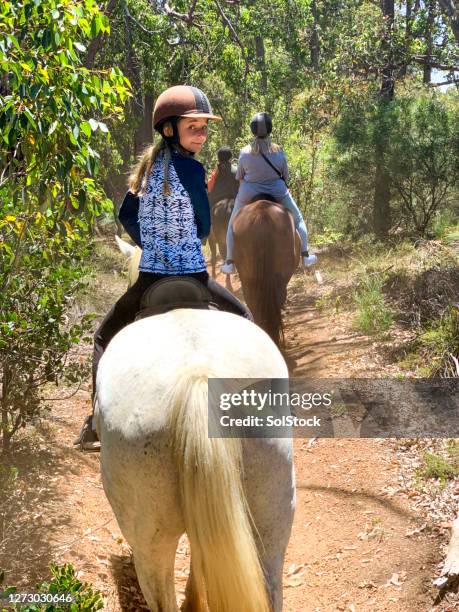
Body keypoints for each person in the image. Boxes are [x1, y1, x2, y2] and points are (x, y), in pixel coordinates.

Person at [74, 85, 252, 451]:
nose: (201, 135)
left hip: (151, 277)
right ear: (170, 129)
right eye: (194, 128)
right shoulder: (192, 169)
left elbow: (125, 212)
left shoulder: (148, 167)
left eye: (204, 128)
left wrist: (150, 242)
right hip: (194, 277)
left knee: (103, 338)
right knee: (245, 318)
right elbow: (204, 228)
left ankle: (94, 423)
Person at [221, 112, 317, 274]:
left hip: (248, 191)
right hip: (277, 190)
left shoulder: (245, 152)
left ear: (252, 130)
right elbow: (285, 175)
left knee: (232, 224)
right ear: (270, 129)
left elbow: (240, 177)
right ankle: (306, 255)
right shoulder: (278, 151)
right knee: (298, 218)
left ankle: (230, 262)